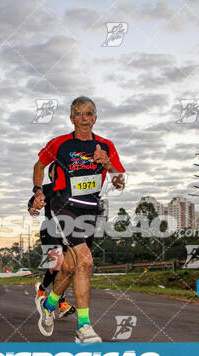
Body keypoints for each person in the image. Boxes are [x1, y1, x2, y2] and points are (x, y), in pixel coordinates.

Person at [32, 96, 125, 343]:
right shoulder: (60, 144)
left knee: (72, 267)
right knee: (85, 259)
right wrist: (38, 191)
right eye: (80, 114)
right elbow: (39, 166)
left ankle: (49, 305)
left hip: (90, 210)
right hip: (64, 205)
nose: (85, 118)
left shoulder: (106, 145)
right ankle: (84, 328)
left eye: (90, 114)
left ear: (95, 118)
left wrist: (108, 164)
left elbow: (119, 182)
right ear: (72, 118)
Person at [27, 162, 75, 319]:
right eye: (57, 171)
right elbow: (32, 201)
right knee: (58, 264)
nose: (61, 173)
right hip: (49, 228)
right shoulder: (47, 189)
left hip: (66, 232)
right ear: (51, 174)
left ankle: (42, 287)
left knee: (59, 268)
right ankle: (61, 303)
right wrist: (32, 208)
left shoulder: (70, 190)